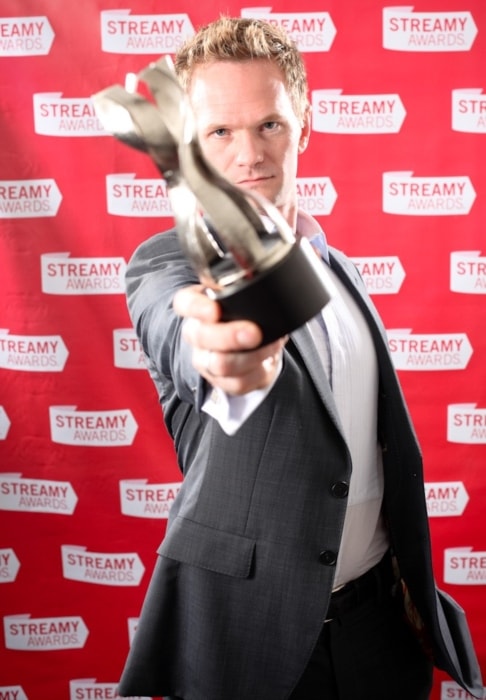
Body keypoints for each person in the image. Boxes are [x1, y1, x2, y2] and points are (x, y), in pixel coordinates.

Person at [117, 16, 483, 700]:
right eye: (220, 132)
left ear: (304, 129)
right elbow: (187, 337)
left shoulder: (340, 271)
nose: (248, 154)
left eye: (269, 126)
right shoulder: (168, 265)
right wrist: (229, 360)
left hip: (381, 628)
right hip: (249, 640)